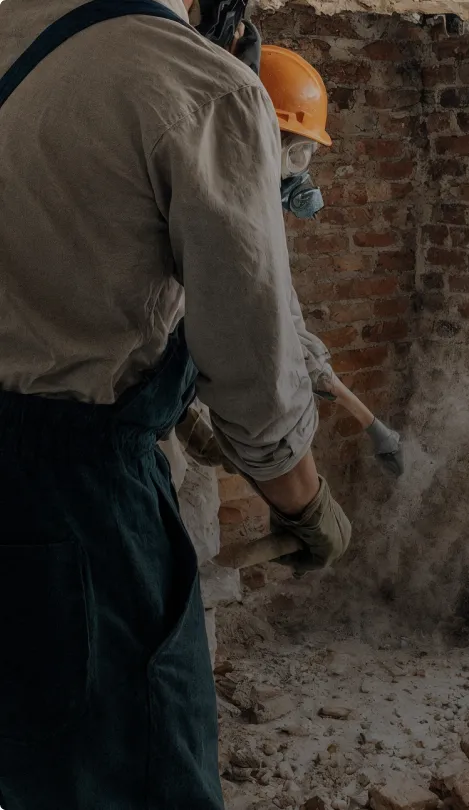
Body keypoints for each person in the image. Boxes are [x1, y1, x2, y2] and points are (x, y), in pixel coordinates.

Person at [0, 0, 351, 807]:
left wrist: (178, 413)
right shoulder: (202, 85)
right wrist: (304, 504)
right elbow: (254, 365)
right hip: (80, 511)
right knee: (141, 770)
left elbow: (62, 285)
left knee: (33, 764)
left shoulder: (18, 39)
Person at [175, 42, 405, 479]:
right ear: (263, 141)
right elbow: (272, 326)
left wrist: (372, 426)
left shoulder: (222, 199)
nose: (302, 176)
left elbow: (285, 315)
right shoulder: (225, 224)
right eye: (299, 155)